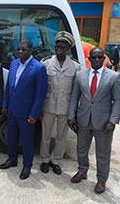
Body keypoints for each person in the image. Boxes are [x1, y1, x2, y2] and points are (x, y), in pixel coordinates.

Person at [68, 47, 120, 194]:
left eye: (100, 57)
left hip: (104, 122)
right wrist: (70, 116)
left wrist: (113, 120)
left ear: (104, 59)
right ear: (89, 59)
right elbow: (75, 97)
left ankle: (101, 180)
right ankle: (82, 171)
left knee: (103, 152)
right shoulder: (80, 75)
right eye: (94, 57)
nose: (97, 60)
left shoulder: (113, 77)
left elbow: (118, 100)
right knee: (81, 148)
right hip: (83, 119)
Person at [0, 40, 47, 180]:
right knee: (11, 137)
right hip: (12, 110)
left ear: (30, 50)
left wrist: (34, 113)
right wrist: (4, 105)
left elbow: (40, 94)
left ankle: (27, 166)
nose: (20, 52)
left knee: (26, 140)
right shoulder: (14, 64)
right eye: (18, 49)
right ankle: (12, 159)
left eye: (24, 49)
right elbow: (9, 87)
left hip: (27, 113)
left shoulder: (38, 68)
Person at [39, 31, 80, 175]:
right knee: (46, 134)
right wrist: (39, 107)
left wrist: (73, 112)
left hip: (66, 106)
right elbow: (40, 87)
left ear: (68, 48)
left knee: (62, 136)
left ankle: (55, 160)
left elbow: (76, 91)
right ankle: (44, 159)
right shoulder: (46, 63)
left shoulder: (75, 66)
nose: (59, 49)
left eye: (62, 47)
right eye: (57, 46)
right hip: (48, 104)